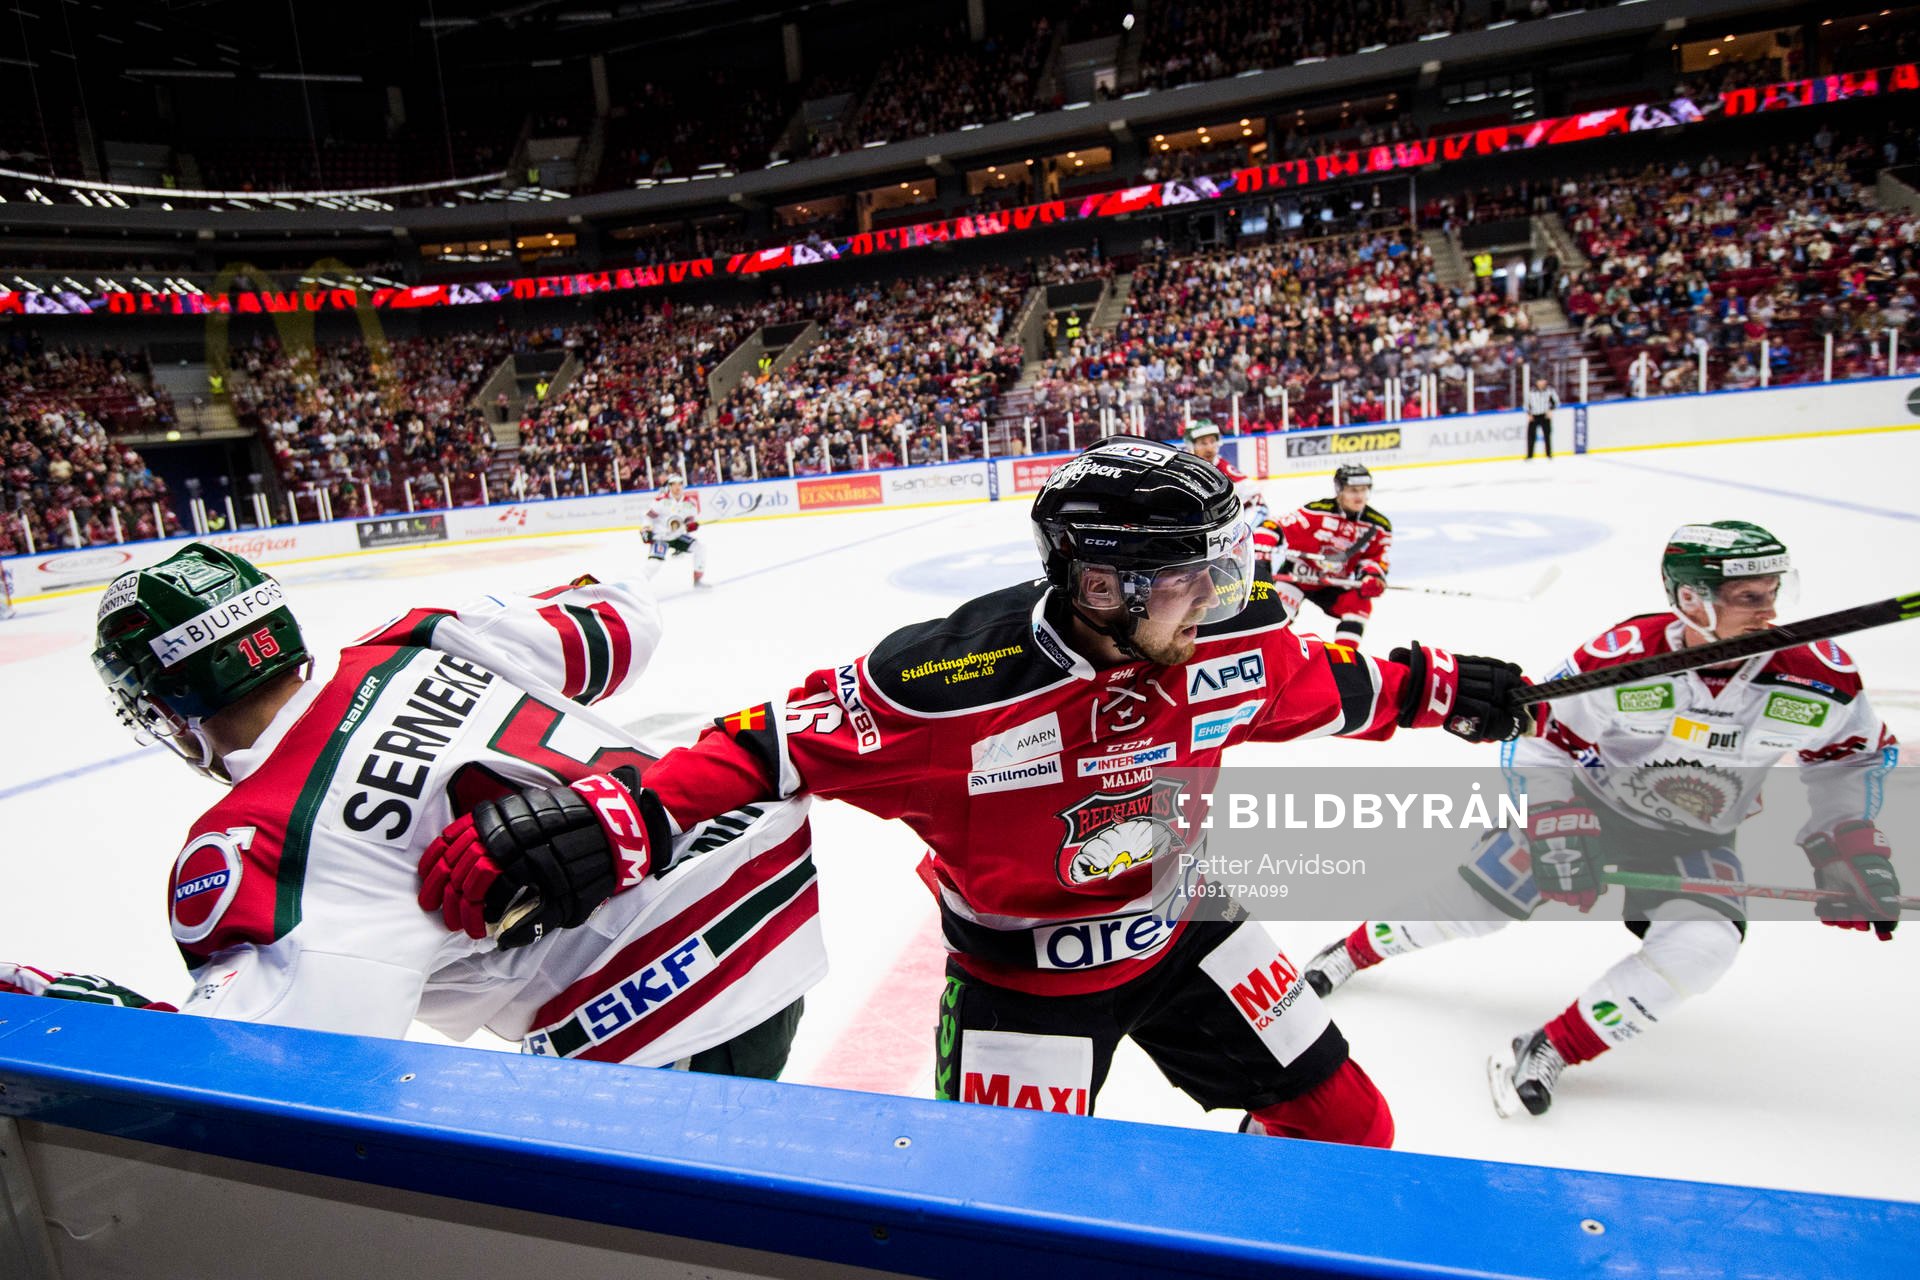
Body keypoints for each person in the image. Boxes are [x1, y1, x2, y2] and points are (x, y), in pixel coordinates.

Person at [419, 436, 1535, 1145]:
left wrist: (1444, 684)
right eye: (1200, 575)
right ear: (1104, 581)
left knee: (1351, 1125)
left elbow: (1318, 684)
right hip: (1023, 990)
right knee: (1004, 1232)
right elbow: (772, 745)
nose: (1225, 597)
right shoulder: (941, 683)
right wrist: (631, 813)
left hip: (1198, 931)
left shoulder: (1215, 638)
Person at [4, 543, 822, 1080]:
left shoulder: (253, 842)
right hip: (772, 903)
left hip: (658, 1013)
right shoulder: (420, 636)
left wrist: (96, 1015)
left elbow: (268, 1066)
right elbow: (623, 618)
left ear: (168, 699)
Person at [1301, 521, 1902, 1117]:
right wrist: (1555, 819)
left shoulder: (1820, 674)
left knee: (1704, 946)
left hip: (1696, 836)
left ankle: (1551, 1047)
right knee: (1476, 908)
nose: (1768, 611)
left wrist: (1846, 841)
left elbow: (1850, 758)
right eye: (1750, 597)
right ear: (1691, 599)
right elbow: (1538, 736)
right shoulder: (1625, 657)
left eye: (1774, 592)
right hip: (1589, 809)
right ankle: (1351, 951)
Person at [1264, 463, 1392, 645]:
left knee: (1359, 603)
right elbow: (1274, 526)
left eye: (1364, 490)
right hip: (1297, 577)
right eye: (1353, 490)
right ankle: (1269, 655)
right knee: (1277, 621)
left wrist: (1372, 576)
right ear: (1339, 490)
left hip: (1334, 582)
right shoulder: (1316, 511)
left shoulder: (1379, 526)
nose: (1360, 496)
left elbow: (1375, 558)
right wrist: (1263, 547)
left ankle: (1344, 662)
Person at [643, 472, 708, 588]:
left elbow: (690, 519)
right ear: (669, 486)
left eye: (679, 484)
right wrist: (646, 530)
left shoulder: (689, 502)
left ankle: (697, 581)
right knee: (654, 565)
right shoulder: (661, 501)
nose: (677, 487)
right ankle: (637, 587)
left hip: (677, 537)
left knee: (700, 548)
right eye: (674, 484)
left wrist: (691, 525)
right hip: (661, 538)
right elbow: (648, 517)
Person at [1524, 376, 1559, 460]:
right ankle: (1530, 455)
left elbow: (1556, 401)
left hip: (1545, 415)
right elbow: (1526, 403)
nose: (1542, 382)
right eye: (1540, 381)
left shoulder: (1549, 390)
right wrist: (1529, 414)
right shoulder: (1531, 391)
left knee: (1547, 435)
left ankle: (1548, 454)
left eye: (1543, 380)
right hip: (1534, 415)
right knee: (1531, 436)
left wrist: (1550, 410)